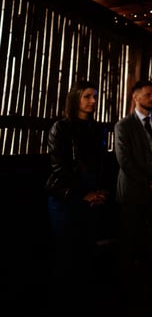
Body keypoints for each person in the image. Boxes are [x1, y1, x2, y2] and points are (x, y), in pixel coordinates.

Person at [46, 80, 114, 293]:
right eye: (87, 96)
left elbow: (102, 164)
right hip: (65, 195)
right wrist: (83, 193)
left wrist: (101, 190)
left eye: (95, 96)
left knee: (87, 249)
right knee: (66, 252)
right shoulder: (61, 127)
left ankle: (84, 298)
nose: (93, 101)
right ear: (75, 98)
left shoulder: (99, 129)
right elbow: (59, 167)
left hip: (93, 195)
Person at [114, 79, 152, 289]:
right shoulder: (123, 126)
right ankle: (128, 286)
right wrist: (149, 182)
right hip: (133, 191)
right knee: (131, 238)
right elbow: (124, 160)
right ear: (135, 97)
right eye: (148, 94)